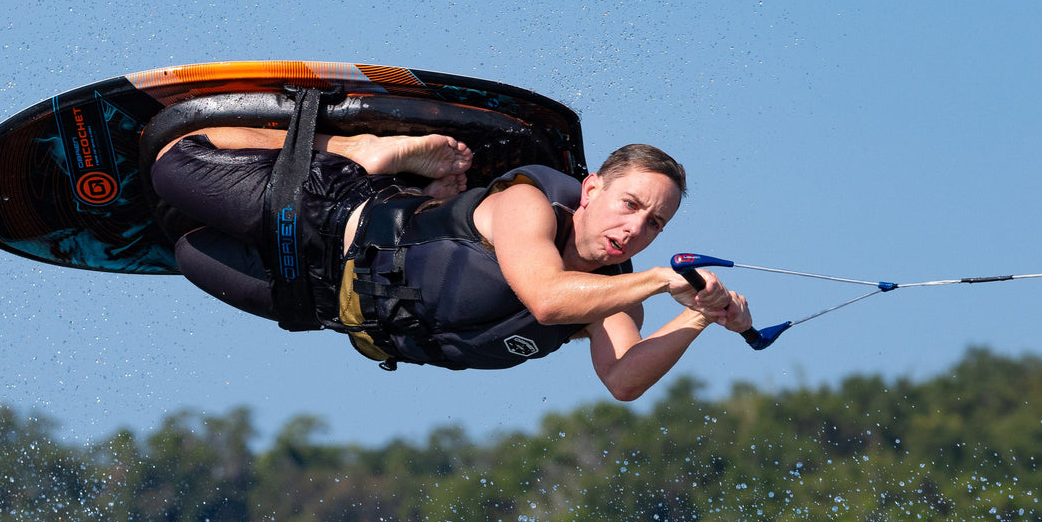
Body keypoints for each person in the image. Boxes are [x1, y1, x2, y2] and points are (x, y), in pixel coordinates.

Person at [151, 125, 753, 400]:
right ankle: (363, 152)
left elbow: (623, 380)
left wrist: (697, 316)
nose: (636, 229)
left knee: (184, 246)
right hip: (329, 216)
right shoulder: (531, 204)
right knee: (174, 162)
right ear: (592, 190)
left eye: (655, 223)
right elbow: (546, 297)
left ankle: (409, 184)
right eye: (630, 205)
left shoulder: (609, 292)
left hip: (319, 302)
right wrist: (659, 281)